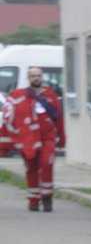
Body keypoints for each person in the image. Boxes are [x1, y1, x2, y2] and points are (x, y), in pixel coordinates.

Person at [6, 66, 65, 212]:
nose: (36, 78)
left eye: (38, 75)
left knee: (46, 165)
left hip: (48, 138)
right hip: (29, 139)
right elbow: (10, 115)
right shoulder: (21, 95)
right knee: (31, 168)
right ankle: (33, 199)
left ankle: (47, 198)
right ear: (28, 78)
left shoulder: (50, 95)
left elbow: (59, 117)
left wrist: (62, 138)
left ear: (42, 77)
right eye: (33, 76)